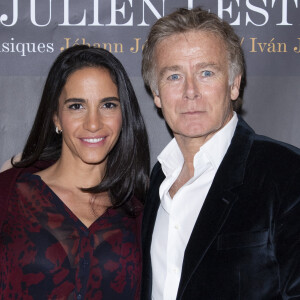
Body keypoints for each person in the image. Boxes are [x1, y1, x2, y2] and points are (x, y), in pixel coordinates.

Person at [141, 7, 300, 300]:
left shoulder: (287, 173)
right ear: (157, 94)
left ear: (234, 84)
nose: (191, 91)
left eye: (206, 72)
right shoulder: (157, 182)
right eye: (174, 76)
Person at [0, 45, 150, 299]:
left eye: (108, 105)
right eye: (76, 106)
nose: (93, 123)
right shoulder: (8, 195)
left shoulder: (139, 213)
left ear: (124, 114)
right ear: (56, 117)